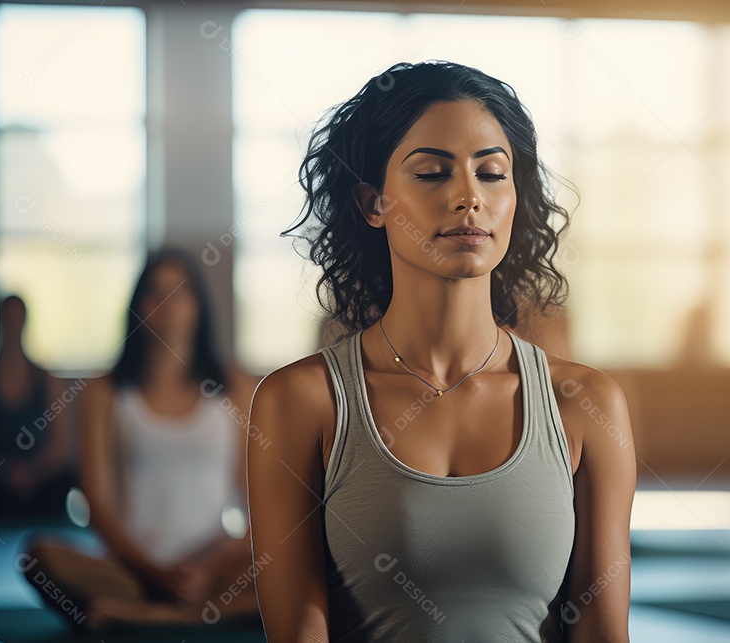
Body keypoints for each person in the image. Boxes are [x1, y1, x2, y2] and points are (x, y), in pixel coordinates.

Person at [248, 60, 636, 642]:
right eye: (432, 173)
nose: (468, 197)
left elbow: (602, 632)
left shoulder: (585, 403)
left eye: (492, 173)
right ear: (373, 203)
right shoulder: (300, 401)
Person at [20, 248, 259, 631]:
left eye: (179, 292)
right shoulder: (105, 391)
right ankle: (183, 610)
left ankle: (160, 615)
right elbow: (97, 504)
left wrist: (209, 566)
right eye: (155, 292)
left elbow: (257, 506)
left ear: (198, 306)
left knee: (299, 557)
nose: (167, 305)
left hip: (212, 569)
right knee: (37, 556)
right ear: (138, 307)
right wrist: (155, 572)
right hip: (131, 571)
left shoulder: (235, 387)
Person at [0, 294, 75, 523]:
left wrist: (30, 473)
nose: (12, 324)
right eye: (7, 317)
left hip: (39, 483)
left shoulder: (46, 379)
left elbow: (60, 448)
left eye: (17, 317)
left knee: (69, 475)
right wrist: (7, 472)